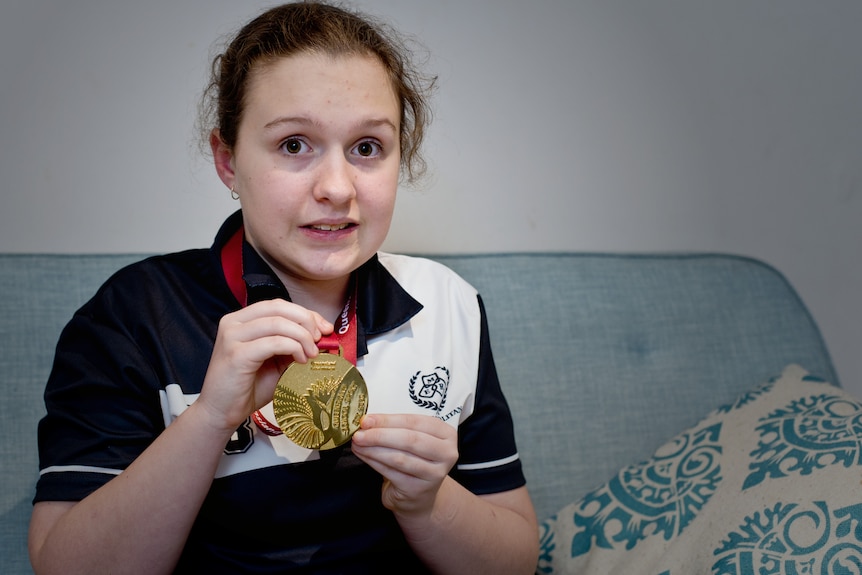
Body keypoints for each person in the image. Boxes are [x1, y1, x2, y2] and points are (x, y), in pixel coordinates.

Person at [28, 2, 539, 573]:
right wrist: (210, 419)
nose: (337, 188)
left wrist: (426, 503)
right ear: (228, 160)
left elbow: (515, 560)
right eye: (294, 144)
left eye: (367, 147)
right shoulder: (134, 314)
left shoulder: (451, 305)